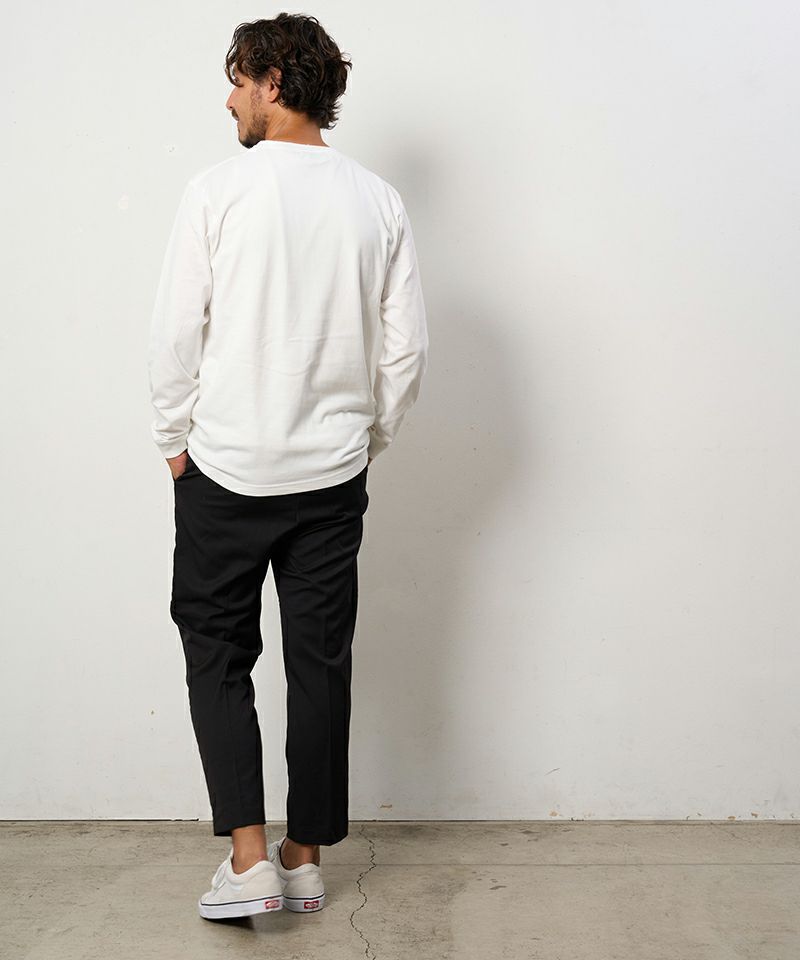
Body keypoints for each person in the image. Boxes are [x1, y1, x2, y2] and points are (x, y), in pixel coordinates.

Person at [147, 13, 428, 919]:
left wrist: (173, 440)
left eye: (238, 80)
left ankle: (250, 862)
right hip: (330, 479)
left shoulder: (217, 191)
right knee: (320, 664)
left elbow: (175, 331)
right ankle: (303, 858)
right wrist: (363, 440)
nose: (229, 98)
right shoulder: (378, 201)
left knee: (216, 653)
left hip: (225, 469)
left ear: (274, 81)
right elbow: (405, 352)